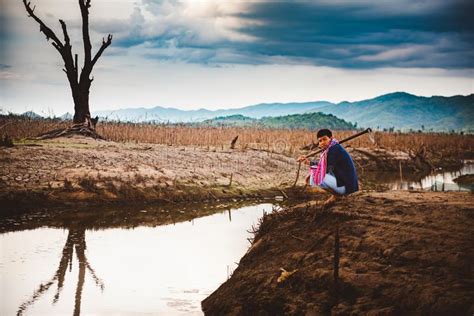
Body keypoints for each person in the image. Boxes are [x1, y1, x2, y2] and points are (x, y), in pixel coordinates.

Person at [297, 128, 359, 205]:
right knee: (315, 175)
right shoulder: (331, 148)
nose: (322, 142)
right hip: (346, 184)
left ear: (331, 138)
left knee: (315, 177)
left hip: (348, 188)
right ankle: (337, 195)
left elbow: (327, 169)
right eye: (320, 141)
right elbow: (324, 165)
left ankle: (338, 195)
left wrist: (312, 170)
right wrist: (309, 162)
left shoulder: (334, 149)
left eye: (324, 139)